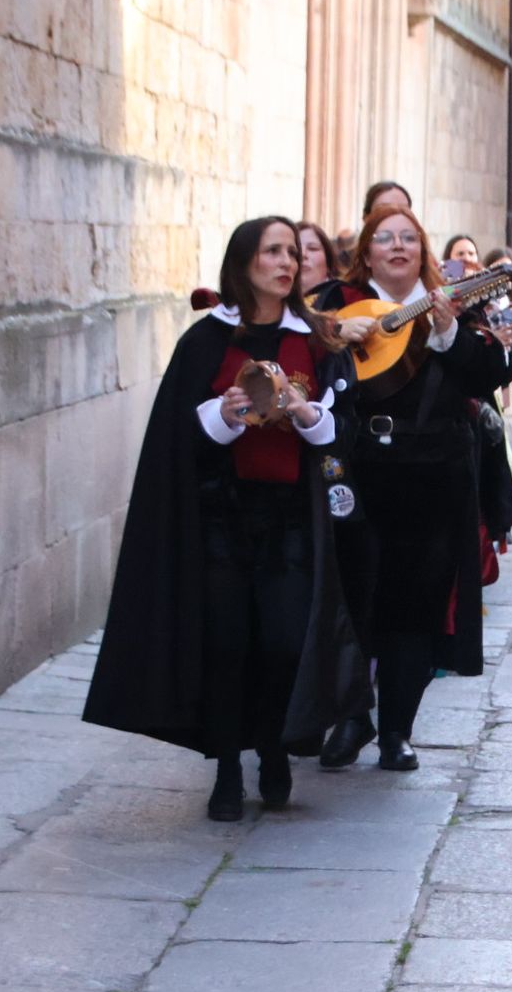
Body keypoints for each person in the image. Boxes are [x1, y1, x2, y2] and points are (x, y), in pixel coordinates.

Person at [82, 217, 369, 821]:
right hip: (221, 517)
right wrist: (226, 415)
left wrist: (305, 411)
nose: (286, 262)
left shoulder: (316, 338)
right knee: (228, 641)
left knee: (283, 639)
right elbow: (177, 434)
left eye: (292, 252)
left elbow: (340, 430)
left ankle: (273, 747)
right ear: (244, 264)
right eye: (272, 251)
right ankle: (228, 771)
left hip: (291, 519)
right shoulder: (207, 340)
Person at [313, 205, 512, 770]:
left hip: (434, 475)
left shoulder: (450, 300)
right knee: (354, 597)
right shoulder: (337, 304)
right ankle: (351, 718)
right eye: (385, 238)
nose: (397, 246)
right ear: (367, 252)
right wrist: (334, 333)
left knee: (417, 606)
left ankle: (397, 729)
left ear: (422, 250)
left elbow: (493, 371)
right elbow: (300, 355)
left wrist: (448, 330)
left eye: (408, 238)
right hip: (358, 471)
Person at [297, 221, 341, 297]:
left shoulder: (349, 299)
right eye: (296, 249)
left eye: (312, 248)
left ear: (328, 262)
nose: (302, 254)